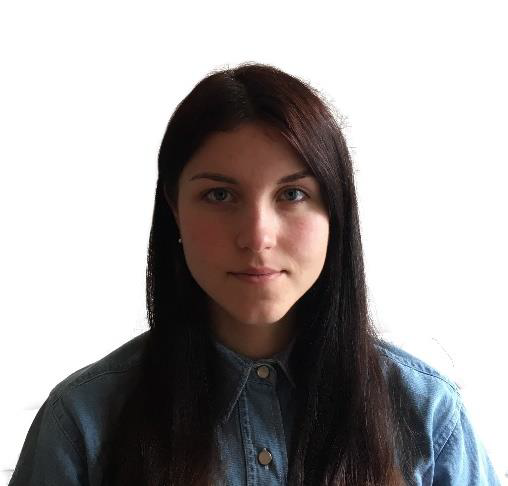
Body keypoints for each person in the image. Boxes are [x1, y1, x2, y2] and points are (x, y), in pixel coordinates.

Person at [8, 63, 500, 486]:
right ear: (174, 210)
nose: (257, 236)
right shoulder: (83, 422)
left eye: (293, 194)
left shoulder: (429, 417)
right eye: (220, 195)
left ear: (336, 211)